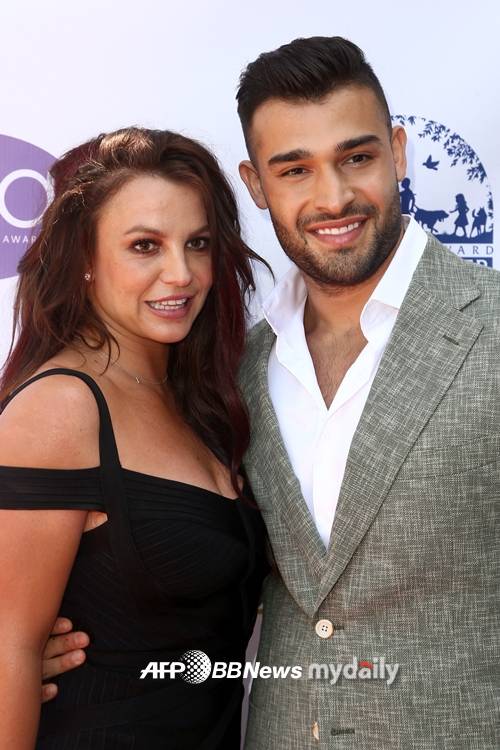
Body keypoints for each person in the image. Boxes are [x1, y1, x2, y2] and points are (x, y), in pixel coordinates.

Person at [42, 38, 499, 748]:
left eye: (357, 157)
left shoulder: (489, 327)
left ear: (398, 151)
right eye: (295, 170)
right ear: (256, 185)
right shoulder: (230, 371)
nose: (334, 197)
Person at [0, 127, 268, 748]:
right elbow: (10, 647)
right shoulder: (62, 407)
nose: (181, 273)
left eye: (198, 243)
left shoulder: (201, 399)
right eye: (145, 245)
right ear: (85, 258)